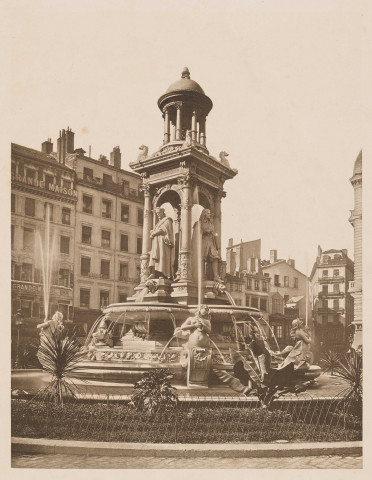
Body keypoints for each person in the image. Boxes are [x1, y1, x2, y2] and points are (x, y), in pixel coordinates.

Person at [192, 208, 222, 282]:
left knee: (215, 257)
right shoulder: (199, 223)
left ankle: (216, 276)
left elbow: (215, 235)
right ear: (204, 214)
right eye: (208, 213)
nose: (209, 215)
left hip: (210, 242)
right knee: (201, 258)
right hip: (202, 242)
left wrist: (217, 247)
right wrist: (205, 231)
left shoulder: (211, 224)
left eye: (210, 213)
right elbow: (197, 233)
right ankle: (201, 276)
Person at [149, 207, 175, 279]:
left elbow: (164, 229)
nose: (158, 215)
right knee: (156, 257)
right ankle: (154, 273)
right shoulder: (158, 223)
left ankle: (163, 274)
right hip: (157, 242)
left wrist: (153, 233)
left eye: (159, 213)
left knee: (162, 257)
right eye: (157, 213)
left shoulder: (167, 220)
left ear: (163, 212)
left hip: (163, 242)